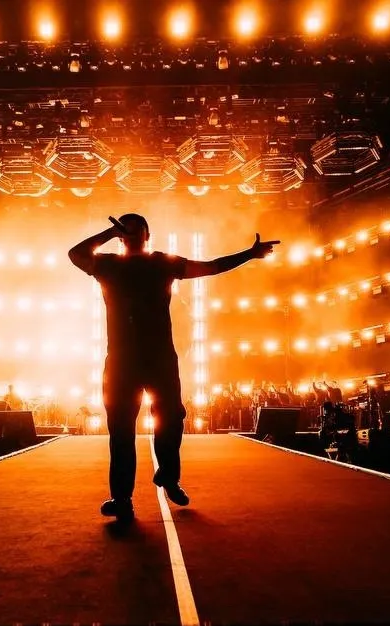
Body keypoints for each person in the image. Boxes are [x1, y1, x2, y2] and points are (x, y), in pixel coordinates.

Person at [68, 213, 280, 520]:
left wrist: (249, 254)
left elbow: (211, 267)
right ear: (122, 236)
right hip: (124, 361)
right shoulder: (109, 265)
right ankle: (123, 498)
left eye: (135, 230)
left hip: (157, 357)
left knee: (170, 419)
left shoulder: (159, 263)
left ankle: (167, 476)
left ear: (146, 235)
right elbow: (75, 254)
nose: (131, 235)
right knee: (122, 430)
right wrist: (108, 233)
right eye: (125, 230)